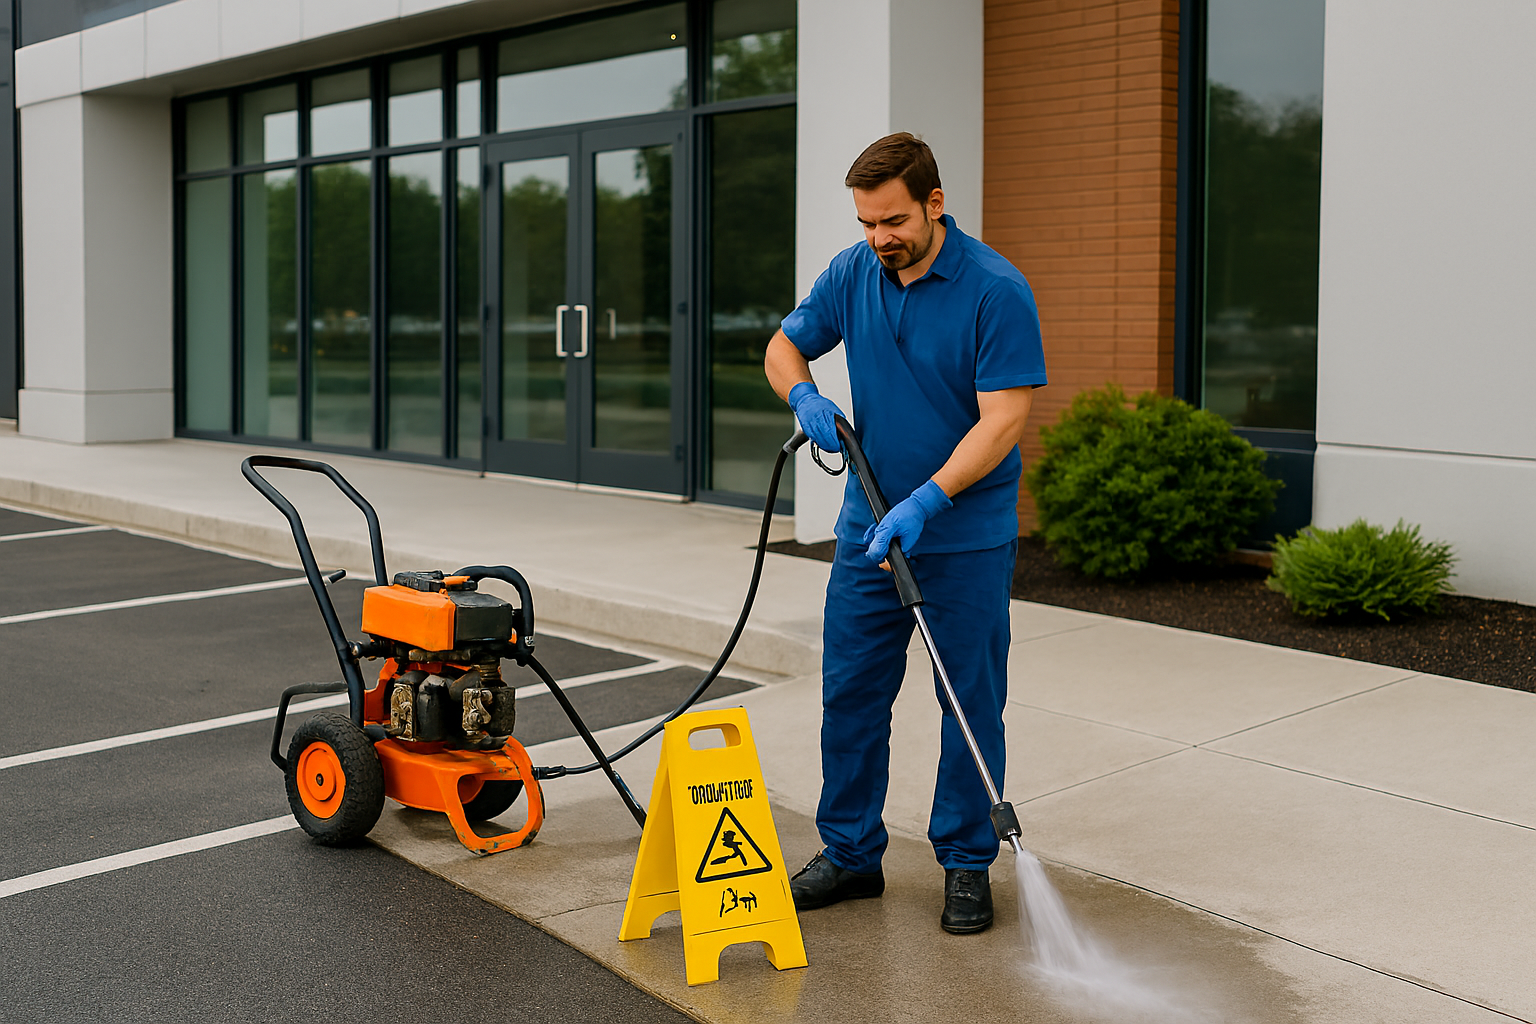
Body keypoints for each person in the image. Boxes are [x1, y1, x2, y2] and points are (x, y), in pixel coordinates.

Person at [763, 132, 1046, 934]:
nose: (880, 237)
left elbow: (1005, 419)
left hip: (964, 535)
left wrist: (926, 501)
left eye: (893, 220)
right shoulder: (854, 272)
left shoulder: (996, 290)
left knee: (968, 705)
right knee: (850, 696)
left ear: (935, 202)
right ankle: (851, 855)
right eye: (866, 223)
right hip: (868, 531)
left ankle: (964, 864)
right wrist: (802, 397)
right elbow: (785, 346)